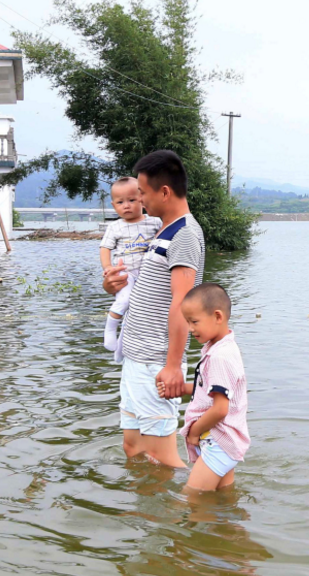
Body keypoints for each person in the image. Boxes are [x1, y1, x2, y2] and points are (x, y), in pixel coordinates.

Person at [102, 150, 205, 468]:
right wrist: (112, 285)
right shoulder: (159, 230)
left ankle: (194, 510)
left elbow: (181, 303)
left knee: (162, 456)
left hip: (155, 362)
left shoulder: (185, 234)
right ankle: (144, 516)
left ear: (164, 191)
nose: (140, 201)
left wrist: (174, 365)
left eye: (143, 193)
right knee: (133, 447)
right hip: (136, 357)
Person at [158, 283, 250, 491]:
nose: (190, 329)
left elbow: (220, 408)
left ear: (218, 316)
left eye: (194, 322)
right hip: (222, 442)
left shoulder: (219, 357)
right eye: (188, 322)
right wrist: (182, 389)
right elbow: (211, 392)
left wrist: (194, 432)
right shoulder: (220, 348)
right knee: (222, 497)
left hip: (218, 441)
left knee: (191, 499)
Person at [100, 177, 162, 362]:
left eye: (132, 200)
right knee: (124, 300)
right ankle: (110, 329)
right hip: (125, 273)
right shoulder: (114, 227)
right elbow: (105, 248)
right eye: (120, 202)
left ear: (141, 200)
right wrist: (108, 267)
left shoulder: (154, 222)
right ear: (114, 205)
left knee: (136, 310)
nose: (126, 206)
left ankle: (121, 348)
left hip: (147, 274)